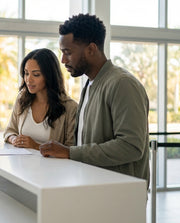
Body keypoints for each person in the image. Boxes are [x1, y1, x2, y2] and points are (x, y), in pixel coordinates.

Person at [39, 14, 150, 184]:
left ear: (91, 49)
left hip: (121, 195)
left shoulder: (122, 84)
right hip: (94, 188)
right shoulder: (89, 85)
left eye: (68, 52)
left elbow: (131, 147)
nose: (62, 60)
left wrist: (70, 152)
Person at [4, 48, 78, 150]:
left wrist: (35, 146)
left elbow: (71, 149)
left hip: (53, 166)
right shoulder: (22, 99)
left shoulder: (70, 107)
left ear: (49, 76)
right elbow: (10, 130)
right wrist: (14, 139)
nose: (29, 80)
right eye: (26, 73)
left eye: (36, 74)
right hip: (21, 164)